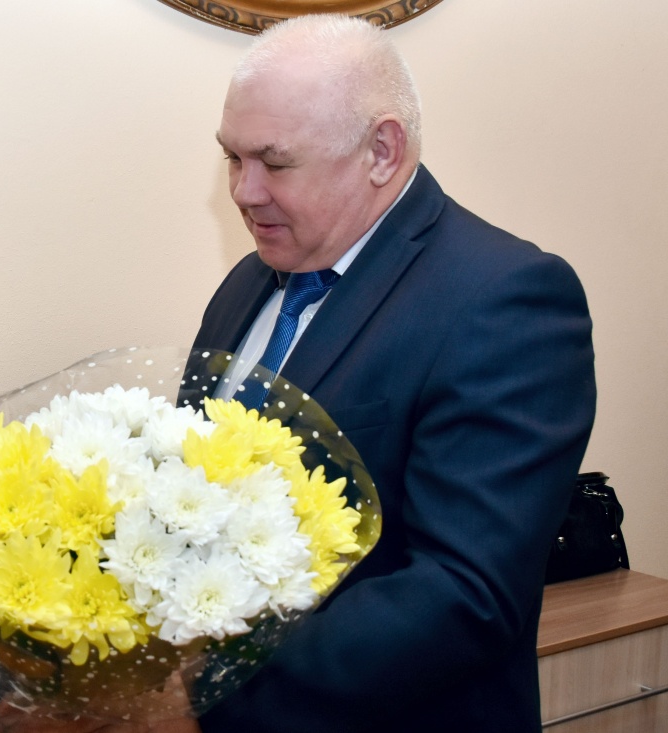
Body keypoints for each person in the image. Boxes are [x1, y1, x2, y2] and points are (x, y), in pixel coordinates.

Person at [189, 14, 596, 733]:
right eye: (232, 157)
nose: (244, 191)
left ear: (382, 151)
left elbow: (464, 594)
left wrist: (207, 685)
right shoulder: (245, 284)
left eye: (275, 163)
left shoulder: (504, 298)